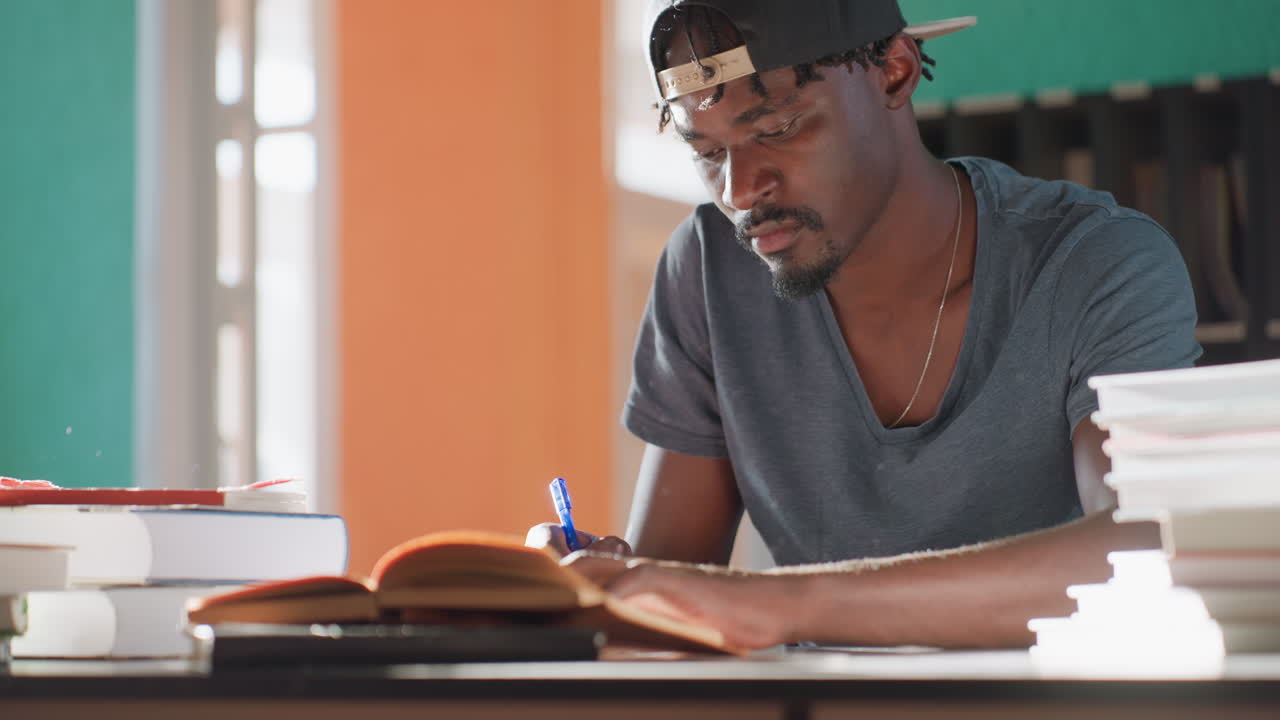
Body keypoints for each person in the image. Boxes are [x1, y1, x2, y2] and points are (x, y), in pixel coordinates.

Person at [527, 0, 1200, 650]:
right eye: (707, 150)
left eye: (778, 129)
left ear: (894, 72)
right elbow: (664, 617)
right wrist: (600, 589)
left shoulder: (1096, 262)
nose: (738, 191)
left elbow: (1143, 548)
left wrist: (777, 604)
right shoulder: (709, 271)